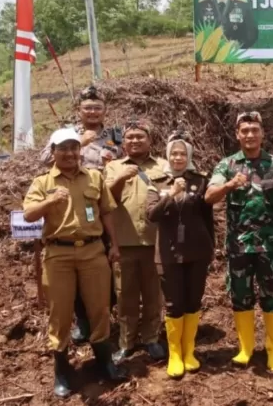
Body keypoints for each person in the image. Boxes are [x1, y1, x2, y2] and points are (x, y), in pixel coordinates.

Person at [23, 128, 126, 398]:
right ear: (53, 152)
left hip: (93, 252)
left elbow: (106, 212)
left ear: (79, 151)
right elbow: (29, 215)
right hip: (59, 255)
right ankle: (62, 370)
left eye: (73, 147)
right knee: (60, 313)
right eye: (63, 148)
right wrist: (49, 200)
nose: (69, 153)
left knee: (100, 308)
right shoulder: (42, 182)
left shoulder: (94, 177)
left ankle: (105, 362)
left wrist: (113, 245)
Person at [205, 111, 273, 372]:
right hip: (239, 247)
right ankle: (245, 349)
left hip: (269, 247)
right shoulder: (227, 165)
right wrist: (230, 185)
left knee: (272, 297)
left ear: (262, 133)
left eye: (254, 130)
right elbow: (210, 197)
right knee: (240, 296)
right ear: (237, 134)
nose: (250, 135)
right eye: (244, 131)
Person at [40, 85, 123, 345]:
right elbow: (43, 160)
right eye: (88, 108)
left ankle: (103, 317)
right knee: (72, 268)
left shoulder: (115, 135)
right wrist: (82, 142)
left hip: (104, 203)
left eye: (98, 107)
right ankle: (82, 321)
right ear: (80, 110)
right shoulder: (68, 133)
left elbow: (126, 162)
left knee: (104, 265)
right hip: (69, 204)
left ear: (104, 110)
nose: (93, 112)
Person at [146, 128, 215, 378]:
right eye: (173, 154)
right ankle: (174, 354)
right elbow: (151, 215)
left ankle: (189, 351)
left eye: (182, 154)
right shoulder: (157, 183)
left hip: (197, 252)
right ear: (167, 155)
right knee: (174, 304)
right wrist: (172, 194)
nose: (178, 158)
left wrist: (211, 247)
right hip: (168, 253)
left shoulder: (200, 180)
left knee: (193, 302)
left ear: (189, 156)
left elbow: (208, 218)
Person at [105, 118, 169, 364]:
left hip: (156, 243)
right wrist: (122, 177)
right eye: (130, 137)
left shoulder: (163, 166)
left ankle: (151, 338)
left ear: (150, 140)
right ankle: (126, 342)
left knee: (154, 295)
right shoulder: (113, 167)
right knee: (125, 296)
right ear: (124, 142)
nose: (135, 141)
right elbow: (105, 200)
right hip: (124, 243)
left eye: (140, 136)